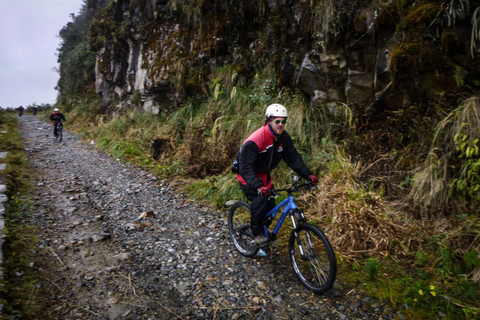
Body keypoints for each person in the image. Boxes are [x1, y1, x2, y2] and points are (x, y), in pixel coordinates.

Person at [236, 103, 319, 244]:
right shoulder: (256, 140)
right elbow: (245, 167)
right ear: (269, 121)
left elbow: (293, 158)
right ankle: (257, 233)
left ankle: (260, 225)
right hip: (247, 176)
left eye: (284, 121)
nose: (281, 124)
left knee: (271, 206)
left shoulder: (283, 138)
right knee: (261, 201)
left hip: (264, 176)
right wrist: (257, 185)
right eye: (277, 121)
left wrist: (308, 175)